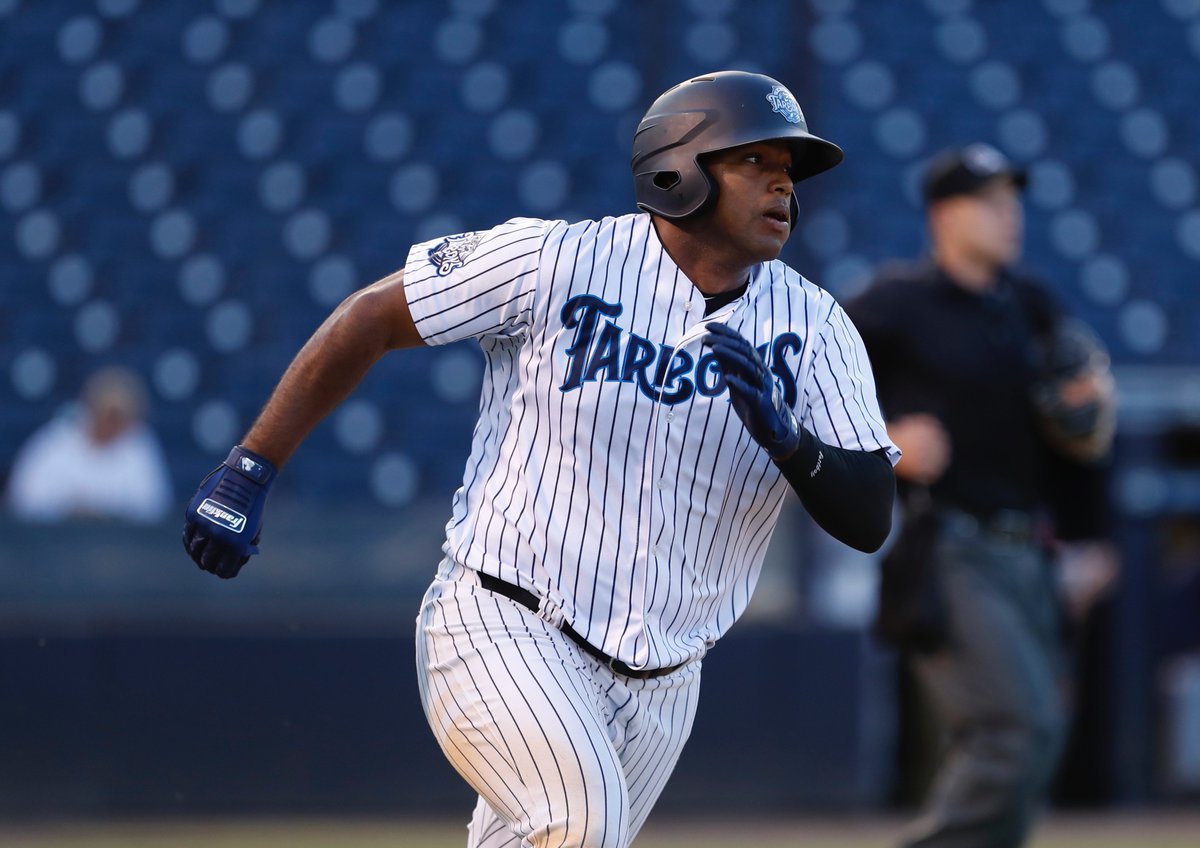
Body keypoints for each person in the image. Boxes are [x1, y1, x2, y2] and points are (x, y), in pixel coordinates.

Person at [182, 70, 899, 848]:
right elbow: (373, 317)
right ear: (678, 168)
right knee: (581, 825)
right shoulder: (557, 260)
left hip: (666, 680)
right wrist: (251, 466)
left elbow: (869, 517)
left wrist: (792, 442)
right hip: (507, 621)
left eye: (789, 169)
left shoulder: (816, 328)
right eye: (755, 160)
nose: (783, 185)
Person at [845, 143, 1118, 848]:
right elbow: (804, 380)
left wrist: (1092, 538)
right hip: (950, 546)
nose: (1009, 216)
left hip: (1029, 552)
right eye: (990, 202)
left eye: (1012, 201)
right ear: (943, 214)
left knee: (1037, 733)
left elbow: (1077, 433)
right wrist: (884, 437)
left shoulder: (1031, 305)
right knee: (1014, 727)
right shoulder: (897, 303)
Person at [5, 365, 173, 523]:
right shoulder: (56, 441)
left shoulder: (139, 446)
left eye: (119, 417)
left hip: (119, 542)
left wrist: (103, 514)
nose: (111, 423)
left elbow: (154, 507)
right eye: (108, 414)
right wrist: (70, 510)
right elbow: (24, 500)